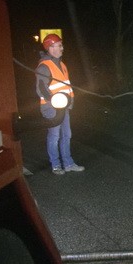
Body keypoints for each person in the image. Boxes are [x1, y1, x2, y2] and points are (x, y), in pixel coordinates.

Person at [35, 33, 83, 175]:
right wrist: (55, 101)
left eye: (61, 45)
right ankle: (56, 165)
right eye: (59, 45)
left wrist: (69, 101)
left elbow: (65, 86)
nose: (62, 47)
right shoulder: (44, 66)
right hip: (51, 108)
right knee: (54, 136)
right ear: (50, 47)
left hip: (64, 107)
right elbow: (41, 89)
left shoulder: (61, 64)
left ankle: (68, 163)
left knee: (66, 135)